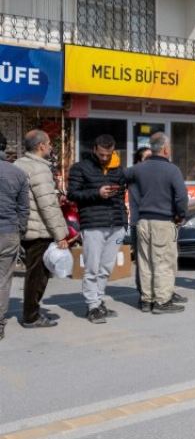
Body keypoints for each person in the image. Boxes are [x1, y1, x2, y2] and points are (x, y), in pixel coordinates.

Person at [125, 133, 188, 314]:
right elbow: (181, 197)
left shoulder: (138, 169)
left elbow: (121, 176)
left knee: (145, 262)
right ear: (165, 149)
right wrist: (180, 215)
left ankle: (146, 300)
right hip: (163, 221)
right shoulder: (172, 170)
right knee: (163, 262)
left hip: (143, 221)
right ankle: (162, 302)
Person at [67, 134, 128, 323]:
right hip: (93, 224)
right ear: (94, 149)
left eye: (108, 154)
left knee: (106, 267)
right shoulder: (80, 168)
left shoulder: (118, 169)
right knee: (92, 268)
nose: (104, 158)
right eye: (101, 154)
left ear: (113, 151)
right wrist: (97, 193)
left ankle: (99, 300)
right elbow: (73, 194)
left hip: (116, 225)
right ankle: (92, 306)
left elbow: (122, 194)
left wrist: (124, 222)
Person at [14, 130, 69, 328]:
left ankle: (30, 312)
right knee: (37, 275)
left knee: (31, 272)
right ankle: (31, 315)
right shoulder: (39, 169)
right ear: (41, 146)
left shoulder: (18, 164)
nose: (51, 147)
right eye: (49, 143)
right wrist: (60, 234)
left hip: (23, 227)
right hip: (39, 230)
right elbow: (48, 205)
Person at [0, 131, 30, 340]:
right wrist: (19, 229)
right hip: (8, 232)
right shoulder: (17, 173)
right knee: (3, 279)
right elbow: (24, 209)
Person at [129, 146, 151, 287]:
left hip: (153, 222)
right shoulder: (135, 177)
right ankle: (143, 293)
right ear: (138, 162)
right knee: (143, 260)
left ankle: (162, 292)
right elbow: (143, 201)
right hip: (139, 223)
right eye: (147, 158)